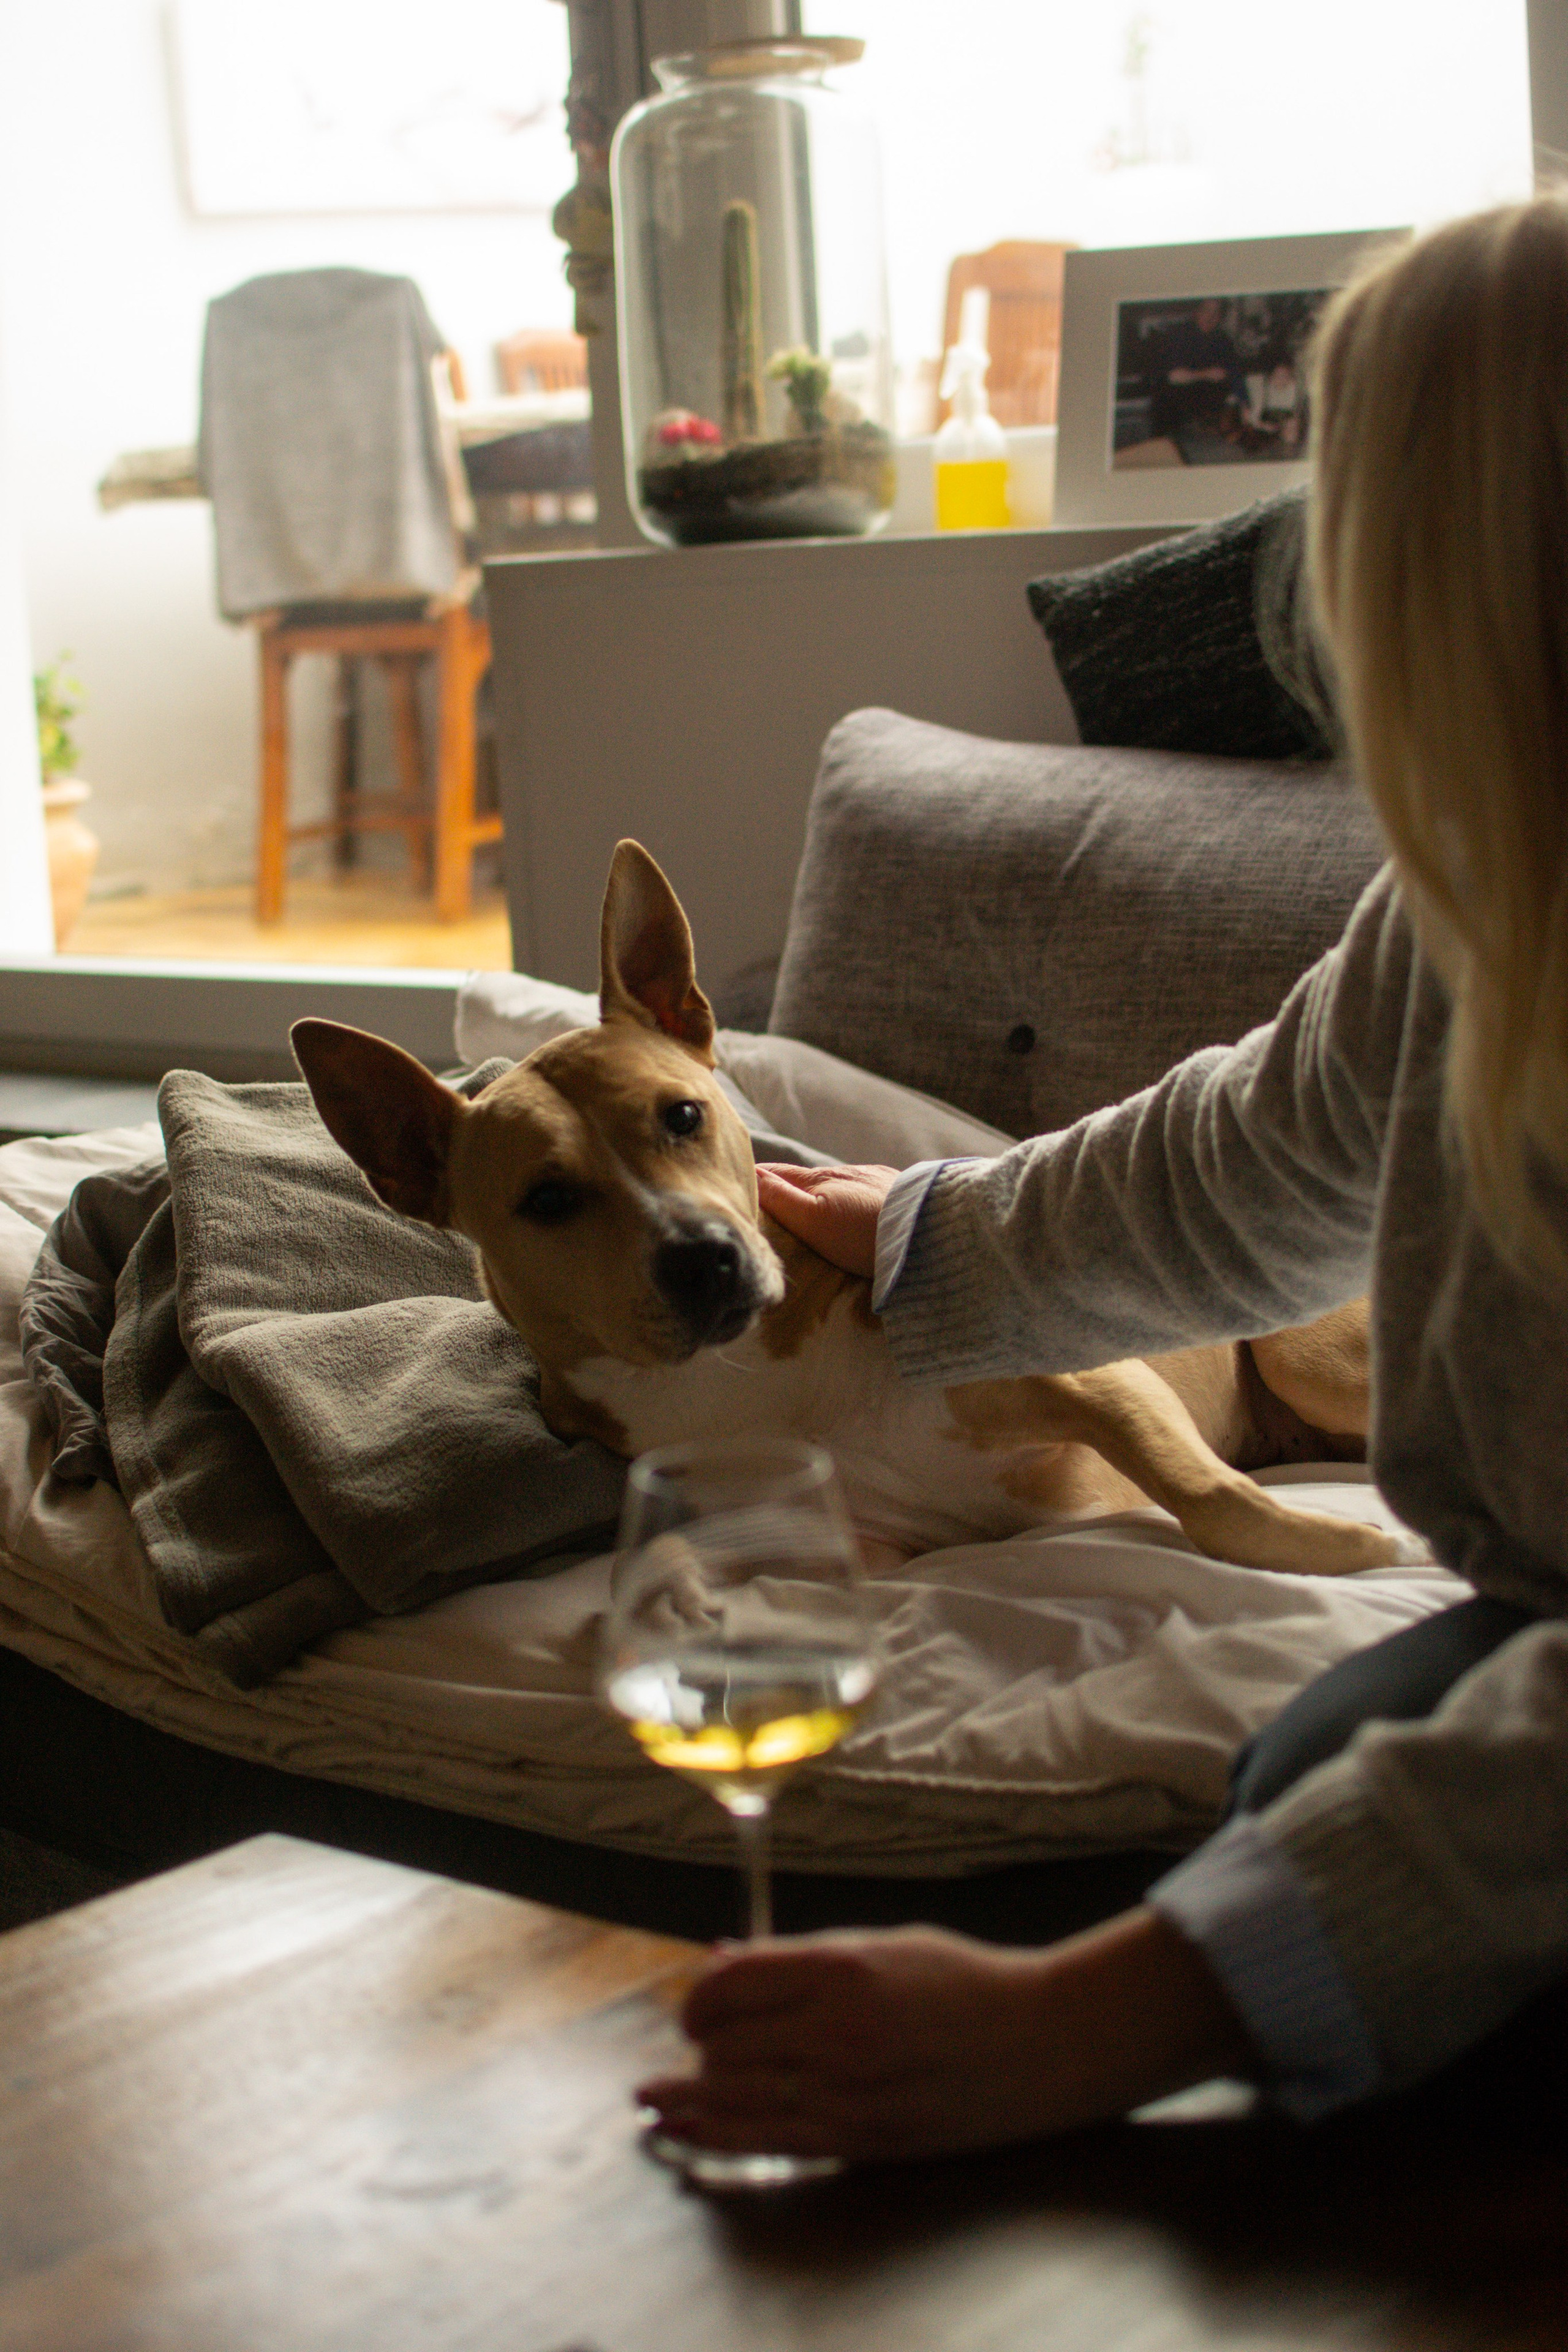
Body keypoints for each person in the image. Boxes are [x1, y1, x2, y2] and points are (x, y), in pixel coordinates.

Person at [636, 198, 1568, 2164]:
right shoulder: (1477, 898)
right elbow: (1252, 1163)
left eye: (1352, 515)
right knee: (1318, 1766)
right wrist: (907, 1229)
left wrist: (1081, 2020)